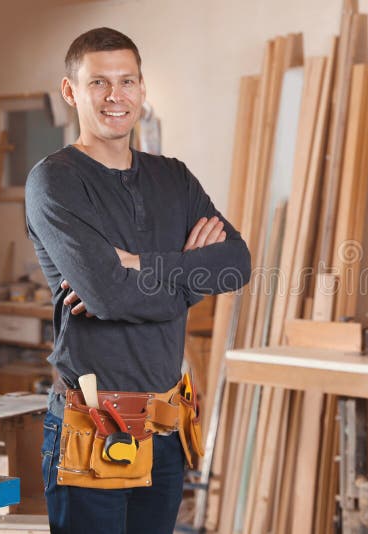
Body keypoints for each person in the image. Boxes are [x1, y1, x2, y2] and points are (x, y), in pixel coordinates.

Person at [25, 27, 251, 533]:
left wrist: (140, 266)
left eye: (127, 81)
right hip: (93, 427)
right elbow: (105, 294)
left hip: (167, 425)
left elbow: (237, 263)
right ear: (71, 92)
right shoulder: (55, 180)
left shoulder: (174, 176)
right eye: (99, 83)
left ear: (142, 90)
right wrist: (189, 274)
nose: (115, 96)